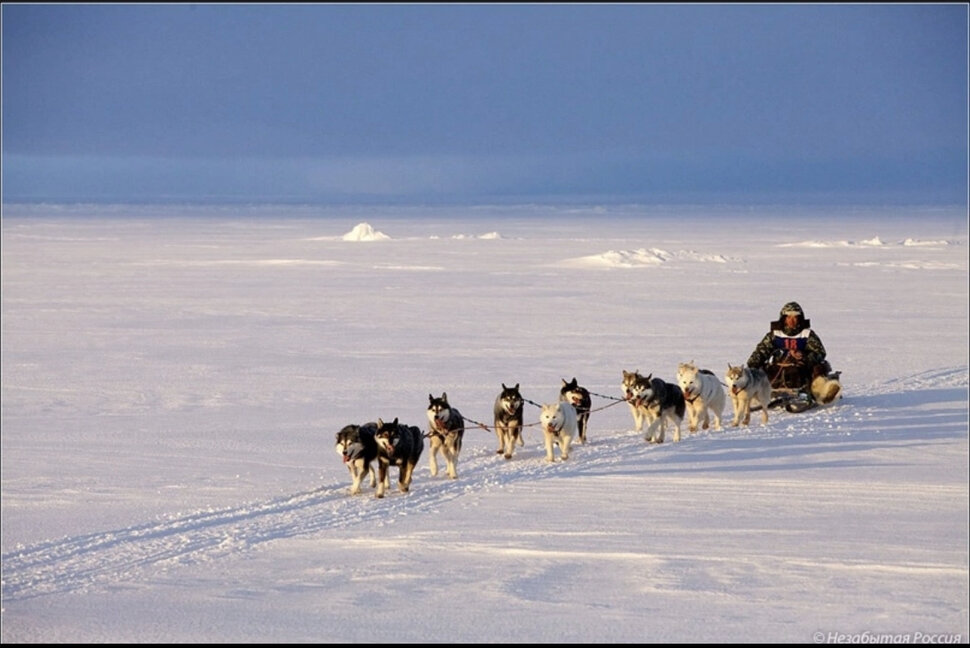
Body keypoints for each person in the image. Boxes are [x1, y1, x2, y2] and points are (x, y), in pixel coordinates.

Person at [747, 301, 831, 397]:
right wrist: (753, 364)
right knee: (758, 370)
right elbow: (762, 351)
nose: (792, 320)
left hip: (801, 368)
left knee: (819, 368)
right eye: (788, 317)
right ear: (783, 318)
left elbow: (820, 352)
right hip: (778, 367)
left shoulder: (807, 334)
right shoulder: (775, 334)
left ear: (799, 318)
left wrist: (803, 356)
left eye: (795, 317)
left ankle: (820, 393)